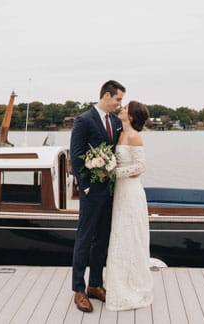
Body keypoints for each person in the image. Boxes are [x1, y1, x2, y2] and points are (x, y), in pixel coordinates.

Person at [70, 80, 125, 313]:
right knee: (85, 239)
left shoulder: (115, 121)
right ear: (106, 95)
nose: (119, 104)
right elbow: (76, 155)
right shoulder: (84, 120)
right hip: (91, 192)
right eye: (118, 99)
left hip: (110, 191)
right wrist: (85, 187)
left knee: (102, 239)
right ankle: (79, 291)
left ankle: (95, 284)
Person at [104, 100, 154, 311]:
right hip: (120, 193)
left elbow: (141, 166)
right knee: (119, 235)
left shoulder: (134, 136)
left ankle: (133, 285)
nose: (121, 110)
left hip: (131, 191)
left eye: (125, 109)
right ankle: (118, 282)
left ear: (131, 116)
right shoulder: (119, 133)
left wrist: (114, 173)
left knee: (131, 235)